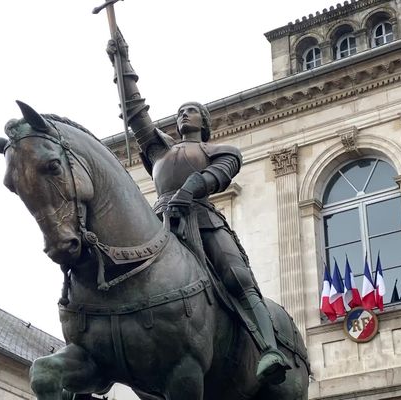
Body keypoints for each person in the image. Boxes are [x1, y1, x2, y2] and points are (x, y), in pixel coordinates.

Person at [107, 30, 290, 384]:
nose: (184, 115)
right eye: (180, 112)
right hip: (161, 224)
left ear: (204, 123)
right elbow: (135, 112)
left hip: (202, 220)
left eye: (192, 111)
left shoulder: (220, 150)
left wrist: (190, 188)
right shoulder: (160, 151)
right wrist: (121, 62)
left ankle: (270, 348)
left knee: (237, 277)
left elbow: (219, 175)